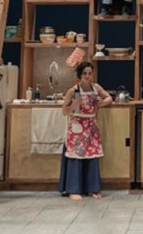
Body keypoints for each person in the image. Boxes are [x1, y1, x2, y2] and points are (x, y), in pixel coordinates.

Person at [58, 61, 114, 201]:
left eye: (90, 73)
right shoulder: (73, 91)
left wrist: (103, 103)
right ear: (80, 75)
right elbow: (64, 111)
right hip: (77, 126)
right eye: (85, 74)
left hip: (91, 126)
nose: (87, 76)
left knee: (92, 155)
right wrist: (74, 105)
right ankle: (73, 189)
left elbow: (109, 97)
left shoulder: (96, 88)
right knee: (76, 156)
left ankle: (92, 188)